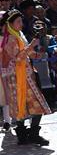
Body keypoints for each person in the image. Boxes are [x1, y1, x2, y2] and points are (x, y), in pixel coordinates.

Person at [1, 10, 51, 145]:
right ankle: (24, 135)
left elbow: (27, 54)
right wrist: (31, 47)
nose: (21, 24)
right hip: (17, 78)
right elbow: (17, 58)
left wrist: (38, 52)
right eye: (18, 22)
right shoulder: (9, 39)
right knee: (22, 105)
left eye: (21, 21)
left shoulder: (19, 35)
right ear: (10, 24)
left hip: (26, 75)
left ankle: (30, 134)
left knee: (33, 104)